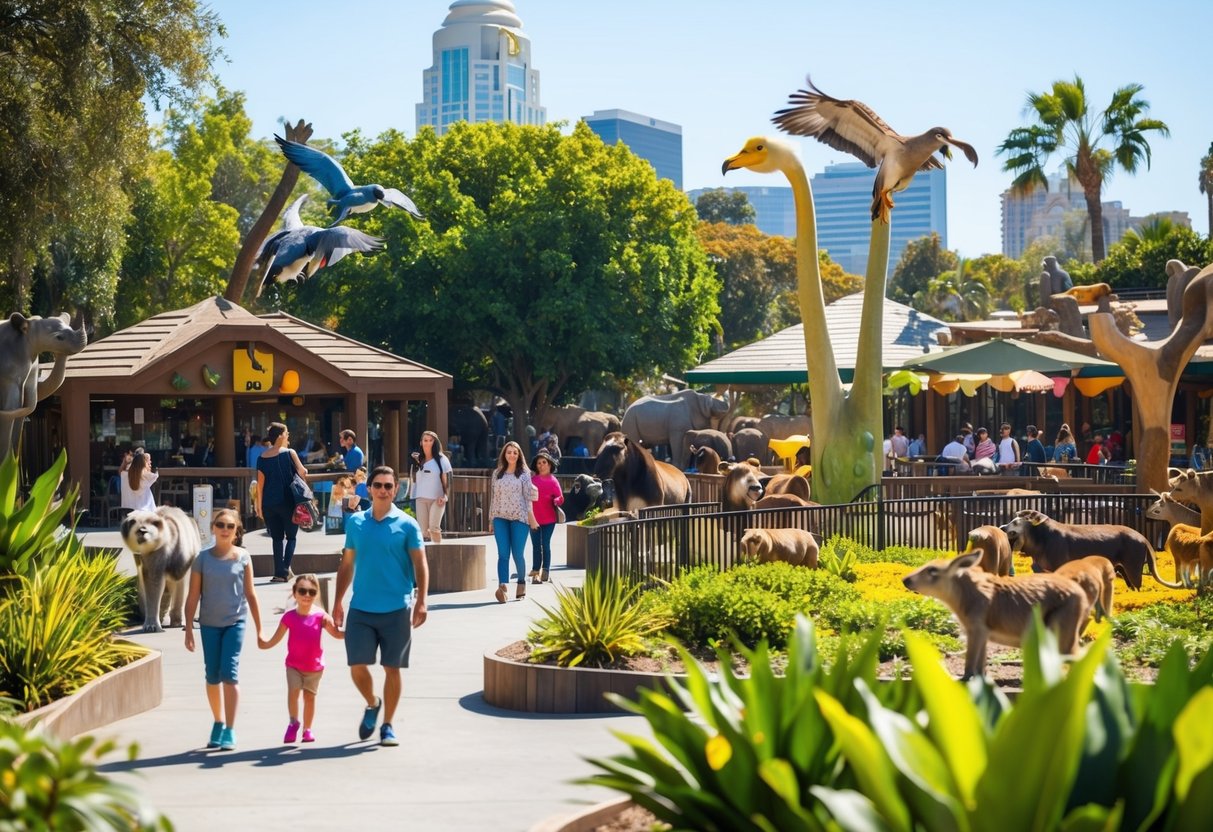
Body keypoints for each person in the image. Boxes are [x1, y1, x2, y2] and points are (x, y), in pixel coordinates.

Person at [332, 466, 429, 748]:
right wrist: (338, 602)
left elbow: (420, 563)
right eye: (378, 485)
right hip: (361, 607)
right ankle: (373, 702)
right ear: (369, 489)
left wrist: (422, 600)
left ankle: (387, 725)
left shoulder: (408, 524)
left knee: (392, 668)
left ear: (395, 490)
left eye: (388, 486)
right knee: (357, 666)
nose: (384, 490)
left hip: (397, 608)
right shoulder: (356, 523)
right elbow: (346, 564)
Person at [183, 509, 262, 752]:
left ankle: (229, 728)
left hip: (234, 622)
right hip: (208, 624)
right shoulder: (202, 559)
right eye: (220, 524)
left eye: (230, 525)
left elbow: (250, 593)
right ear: (213, 528)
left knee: (229, 673)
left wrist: (260, 630)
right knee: (212, 675)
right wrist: (188, 629)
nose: (225, 529)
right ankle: (218, 721)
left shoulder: (244, 558)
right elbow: (193, 595)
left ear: (236, 531)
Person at [258, 573, 345, 744]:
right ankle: (293, 722)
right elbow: (276, 638)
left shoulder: (321, 616)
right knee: (293, 692)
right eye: (302, 591)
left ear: (316, 595)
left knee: (309, 698)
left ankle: (307, 729)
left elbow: (335, 633)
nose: (306, 595)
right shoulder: (289, 617)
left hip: (315, 667)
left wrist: (354, 632)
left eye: (311, 592)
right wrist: (265, 643)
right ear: (295, 593)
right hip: (294, 666)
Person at [256, 422, 310, 583]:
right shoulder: (289, 453)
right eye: (286, 433)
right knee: (291, 537)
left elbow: (260, 485)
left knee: (277, 538)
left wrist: (259, 507)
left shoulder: (262, 457)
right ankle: (284, 571)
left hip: (268, 504)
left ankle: (278, 572)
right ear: (280, 436)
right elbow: (302, 471)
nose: (288, 436)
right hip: (288, 501)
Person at [489, 441, 538, 604]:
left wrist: (531, 519)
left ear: (519, 455)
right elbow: (493, 497)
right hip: (500, 517)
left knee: (517, 554)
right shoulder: (497, 473)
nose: (511, 455)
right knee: (503, 554)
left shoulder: (524, 474)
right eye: (509, 452)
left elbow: (528, 498)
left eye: (515, 453)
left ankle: (521, 582)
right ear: (504, 454)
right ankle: (502, 586)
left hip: (520, 518)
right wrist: (491, 519)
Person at [527, 450, 564, 584]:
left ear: (549, 465)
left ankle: (546, 570)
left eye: (544, 462)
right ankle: (536, 573)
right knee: (536, 546)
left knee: (545, 544)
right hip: (534, 519)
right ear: (536, 466)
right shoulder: (532, 481)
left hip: (549, 520)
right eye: (539, 463)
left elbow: (561, 497)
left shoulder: (554, 481)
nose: (542, 465)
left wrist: (557, 500)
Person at [411, 430, 453, 544]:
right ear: (421, 442)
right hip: (420, 498)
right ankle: (428, 558)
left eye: (431, 440)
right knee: (423, 531)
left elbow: (447, 480)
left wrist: (445, 496)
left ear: (435, 442)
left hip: (437, 499)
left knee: (434, 527)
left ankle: (439, 553)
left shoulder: (442, 459)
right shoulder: (417, 459)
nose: (428, 443)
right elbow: (415, 479)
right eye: (425, 440)